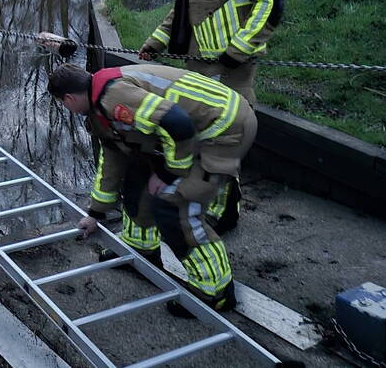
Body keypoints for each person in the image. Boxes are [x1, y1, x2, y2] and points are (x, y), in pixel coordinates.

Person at [48, 62, 257, 314]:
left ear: (69, 98)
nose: (65, 108)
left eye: (62, 103)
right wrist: (96, 213)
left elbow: (178, 124)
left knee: (175, 207)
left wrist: (168, 174)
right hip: (191, 130)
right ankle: (141, 250)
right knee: (136, 178)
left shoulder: (114, 96)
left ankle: (216, 292)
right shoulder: (99, 107)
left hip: (222, 128)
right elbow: (113, 160)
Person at [138, 0, 285, 233]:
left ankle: (226, 212)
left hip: (230, 69)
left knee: (225, 140)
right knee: (203, 136)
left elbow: (271, 3)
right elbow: (182, 10)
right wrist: (155, 44)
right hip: (199, 64)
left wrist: (239, 51)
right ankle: (207, 204)